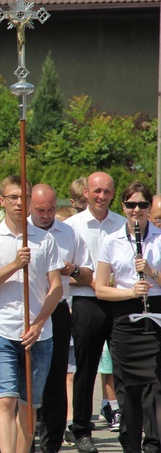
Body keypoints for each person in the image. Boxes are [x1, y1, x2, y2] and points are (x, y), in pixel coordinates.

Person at [0, 175, 63, 453]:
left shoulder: (45, 240)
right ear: (2, 200)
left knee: (29, 405)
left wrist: (38, 324)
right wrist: (14, 265)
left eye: (23, 197)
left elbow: (56, 288)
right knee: (5, 401)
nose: (18, 203)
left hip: (38, 334)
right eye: (12, 197)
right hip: (1, 331)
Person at [95, 181, 161, 453]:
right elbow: (100, 289)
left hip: (155, 317)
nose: (137, 210)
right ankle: (130, 445)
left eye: (142, 205)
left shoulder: (159, 238)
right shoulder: (110, 241)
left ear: (149, 207)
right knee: (129, 390)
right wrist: (131, 291)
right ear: (122, 206)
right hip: (124, 318)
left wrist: (151, 272)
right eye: (131, 205)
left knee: (155, 390)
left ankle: (154, 445)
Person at [28, 184, 93, 453]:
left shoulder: (68, 232)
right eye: (40, 210)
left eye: (51, 209)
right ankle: (26, 440)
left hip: (58, 310)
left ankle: (52, 442)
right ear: (31, 206)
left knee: (56, 378)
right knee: (28, 378)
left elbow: (88, 275)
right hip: (26, 309)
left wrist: (73, 269)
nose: (46, 215)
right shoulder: (21, 233)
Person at [64, 172, 125, 453]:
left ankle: (129, 427)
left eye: (107, 192)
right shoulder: (72, 226)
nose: (102, 196)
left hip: (118, 302)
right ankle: (81, 429)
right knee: (85, 370)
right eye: (97, 191)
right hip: (86, 302)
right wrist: (94, 281)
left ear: (114, 194)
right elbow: (65, 271)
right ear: (86, 193)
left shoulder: (123, 225)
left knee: (123, 368)